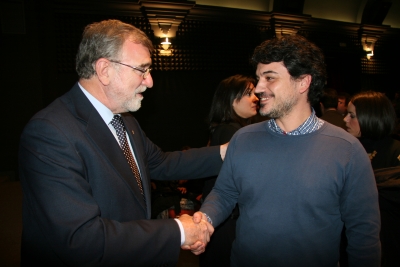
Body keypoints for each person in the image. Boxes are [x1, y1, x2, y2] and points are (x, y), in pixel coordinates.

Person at [18, 19, 225, 266]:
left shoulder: (124, 118)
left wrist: (227, 151)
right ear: (104, 70)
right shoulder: (49, 133)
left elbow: (161, 163)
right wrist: (179, 231)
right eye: (142, 70)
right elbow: (81, 240)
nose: (150, 81)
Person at [195, 35, 381, 267]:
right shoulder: (243, 138)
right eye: (259, 78)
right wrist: (205, 218)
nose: (259, 88)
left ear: (303, 82)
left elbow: (363, 233)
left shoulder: (347, 150)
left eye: (270, 78)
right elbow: (224, 193)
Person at [199, 74, 258, 267]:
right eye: (248, 93)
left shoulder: (224, 129)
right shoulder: (231, 131)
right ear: (232, 100)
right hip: (227, 220)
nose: (256, 97)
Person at [344, 90, 400, 266]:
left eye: (351, 115)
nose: (345, 119)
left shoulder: (395, 150)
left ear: (371, 117)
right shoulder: (345, 149)